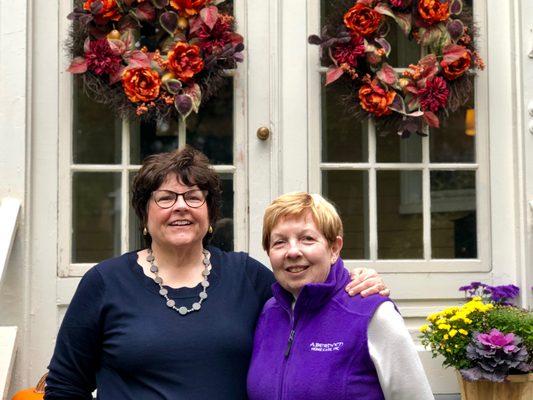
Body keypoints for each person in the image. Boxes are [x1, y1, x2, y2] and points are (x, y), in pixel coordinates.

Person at [44, 147, 388, 400]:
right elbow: (65, 386)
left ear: (210, 213)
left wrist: (353, 280)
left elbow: (312, 299)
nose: (180, 206)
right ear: (144, 215)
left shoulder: (248, 277)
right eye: (165, 198)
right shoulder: (105, 283)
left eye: (193, 197)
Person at [247, 192, 434, 400]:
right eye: (279, 242)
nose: (292, 252)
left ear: (334, 248)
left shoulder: (372, 314)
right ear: (268, 252)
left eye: (307, 239)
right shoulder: (268, 314)